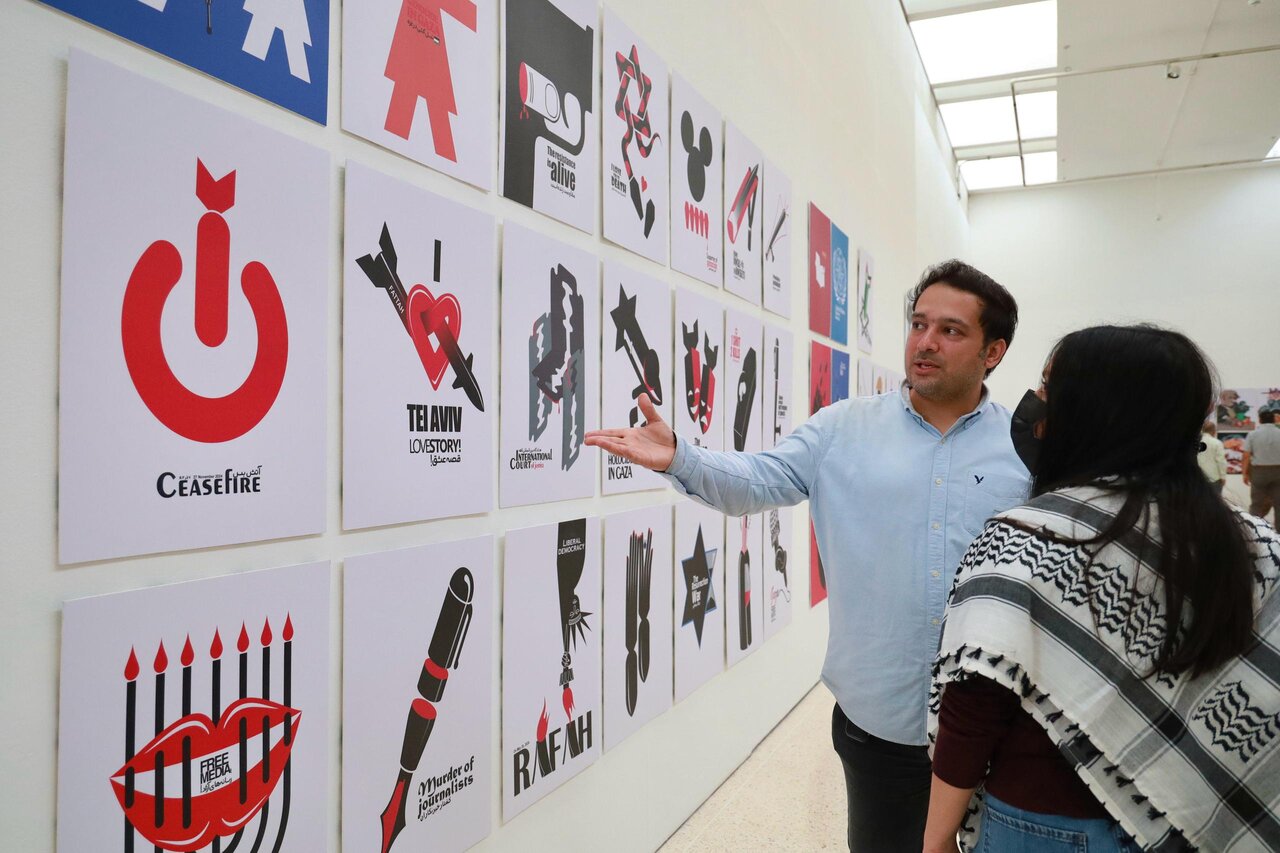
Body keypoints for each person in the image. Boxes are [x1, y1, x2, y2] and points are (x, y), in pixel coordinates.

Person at [585, 260, 1030, 850]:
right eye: (919, 324)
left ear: (993, 352)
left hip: (997, 724)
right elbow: (759, 479)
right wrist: (680, 458)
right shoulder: (844, 428)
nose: (925, 342)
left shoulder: (1024, 450)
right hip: (882, 722)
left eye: (951, 330)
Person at [924, 325, 1280, 853]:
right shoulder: (1257, 545)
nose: (1036, 404)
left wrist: (934, 841)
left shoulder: (1028, 537)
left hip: (1043, 823)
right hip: (1197, 820)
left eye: (1049, 388)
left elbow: (975, 708)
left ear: (1092, 411)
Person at [1244, 409, 1280, 520]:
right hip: (1278, 471)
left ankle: (1253, 527)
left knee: (1256, 504)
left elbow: (1246, 455)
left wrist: (1245, 473)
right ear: (1274, 420)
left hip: (1259, 472)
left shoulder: (1252, 434)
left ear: (1259, 420)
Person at [1197, 420, 1228, 494]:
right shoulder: (1217, 443)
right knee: (1214, 500)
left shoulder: (1195, 443)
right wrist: (1223, 477)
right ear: (1214, 431)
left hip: (1198, 479)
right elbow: (1221, 461)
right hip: (1214, 479)